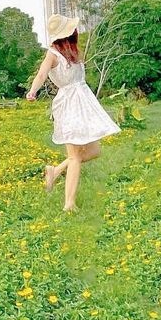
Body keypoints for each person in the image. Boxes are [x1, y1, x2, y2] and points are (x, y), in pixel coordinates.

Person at [25, 14, 120, 213]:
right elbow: (42, 73)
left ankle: (56, 171)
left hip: (83, 102)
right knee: (75, 156)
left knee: (94, 151)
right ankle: (69, 204)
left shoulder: (73, 52)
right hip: (69, 105)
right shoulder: (53, 53)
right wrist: (33, 90)